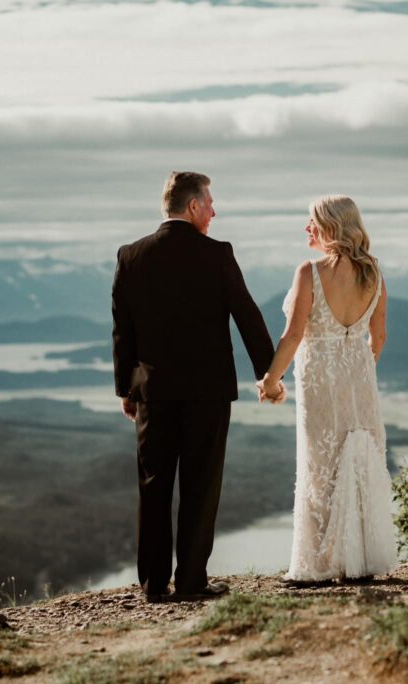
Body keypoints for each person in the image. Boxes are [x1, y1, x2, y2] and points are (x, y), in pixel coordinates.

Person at [112, 171, 282, 603]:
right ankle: (191, 582)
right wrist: (269, 375)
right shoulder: (217, 254)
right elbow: (247, 316)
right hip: (207, 391)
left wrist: (125, 389)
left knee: (153, 486)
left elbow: (123, 330)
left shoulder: (131, 255)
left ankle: (152, 585)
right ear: (192, 207)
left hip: (153, 392)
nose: (214, 211)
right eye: (210, 204)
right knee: (200, 486)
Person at [258, 195, 397, 584]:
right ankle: (362, 562)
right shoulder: (374, 273)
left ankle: (318, 566)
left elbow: (293, 335)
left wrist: (270, 382)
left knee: (320, 467)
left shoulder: (310, 272)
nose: (307, 229)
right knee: (359, 462)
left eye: (312, 222)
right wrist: (360, 368)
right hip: (360, 382)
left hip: (320, 384)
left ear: (330, 227)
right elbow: (379, 335)